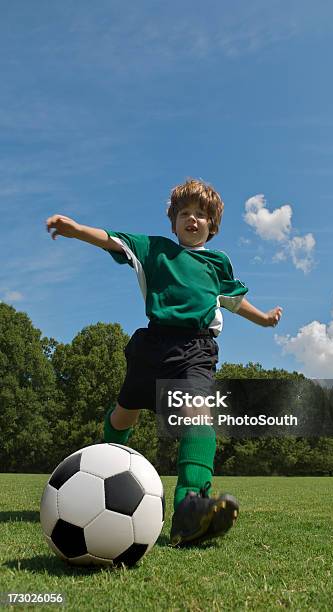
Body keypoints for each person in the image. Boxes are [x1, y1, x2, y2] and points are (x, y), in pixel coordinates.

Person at [46, 178, 282, 546]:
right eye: (185, 213)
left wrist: (264, 317)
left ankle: (190, 508)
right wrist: (76, 230)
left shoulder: (217, 263)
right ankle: (103, 465)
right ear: (173, 223)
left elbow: (234, 302)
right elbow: (111, 239)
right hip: (153, 346)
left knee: (198, 417)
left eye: (201, 215)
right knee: (125, 414)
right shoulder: (153, 249)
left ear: (212, 225)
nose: (193, 219)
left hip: (198, 349)